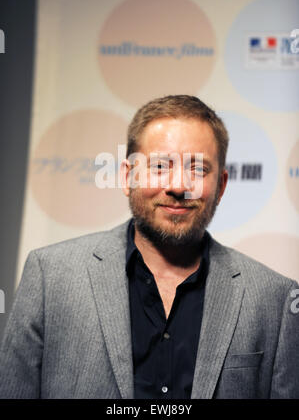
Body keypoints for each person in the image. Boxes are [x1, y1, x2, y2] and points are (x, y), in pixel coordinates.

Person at [0, 95, 298, 399]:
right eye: (159, 165)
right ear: (128, 177)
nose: (178, 186)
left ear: (220, 186)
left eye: (197, 169)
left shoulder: (274, 299)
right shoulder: (51, 278)